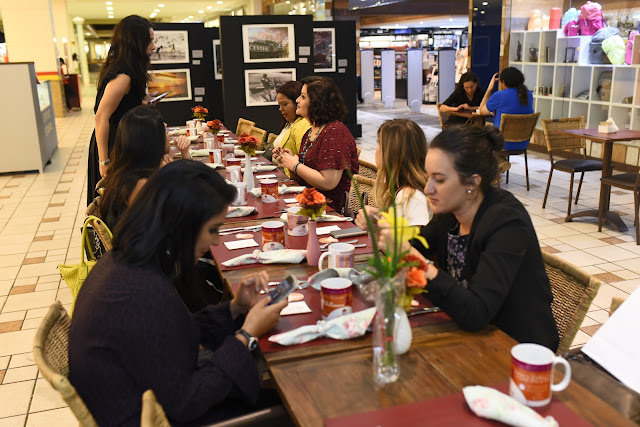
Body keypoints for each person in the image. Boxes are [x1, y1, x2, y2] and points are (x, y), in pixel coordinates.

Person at [69, 160, 289, 426]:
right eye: (212, 230)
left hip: (146, 396)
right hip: (154, 416)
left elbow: (175, 331)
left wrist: (236, 307)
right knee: (293, 401)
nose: (216, 241)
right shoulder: (140, 292)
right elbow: (187, 402)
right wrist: (245, 336)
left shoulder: (128, 261)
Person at [407, 125, 559, 351]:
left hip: (517, 350)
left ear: (472, 182)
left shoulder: (507, 222)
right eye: (428, 176)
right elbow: (415, 245)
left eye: (439, 179)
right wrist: (382, 229)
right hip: (469, 336)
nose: (428, 188)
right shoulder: (450, 214)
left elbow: (476, 312)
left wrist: (413, 260)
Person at [87, 15, 156, 206]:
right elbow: (101, 117)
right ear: (135, 42)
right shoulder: (123, 75)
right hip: (113, 145)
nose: (153, 46)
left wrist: (141, 103)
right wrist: (104, 161)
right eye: (149, 40)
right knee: (114, 202)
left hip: (122, 141)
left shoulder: (129, 70)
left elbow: (122, 107)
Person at [97, 106, 190, 231]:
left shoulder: (129, 173)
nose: (168, 135)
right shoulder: (140, 185)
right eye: (164, 131)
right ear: (152, 142)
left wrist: (184, 155)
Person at [274, 76, 359, 212]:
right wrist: (289, 161)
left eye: (303, 97)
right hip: (310, 203)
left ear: (317, 102)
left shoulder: (335, 132)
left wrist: (294, 165)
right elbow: (302, 179)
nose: (297, 100)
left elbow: (328, 182)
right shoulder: (311, 131)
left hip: (332, 210)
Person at [354, 119, 430, 228]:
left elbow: (408, 242)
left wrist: (380, 225)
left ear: (389, 153)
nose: (376, 149)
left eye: (378, 143)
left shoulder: (410, 196)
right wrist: (381, 217)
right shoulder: (402, 190)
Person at [479, 67, 534, 151]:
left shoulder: (499, 95)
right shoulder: (528, 95)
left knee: (482, 135)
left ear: (503, 82)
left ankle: (500, 161)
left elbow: (482, 111)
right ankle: (501, 161)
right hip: (523, 142)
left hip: (501, 143)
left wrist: (490, 88)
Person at [266, 80, 311, 169]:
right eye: (279, 105)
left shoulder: (303, 124)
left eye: (285, 104)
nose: (280, 109)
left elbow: (303, 160)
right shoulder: (290, 123)